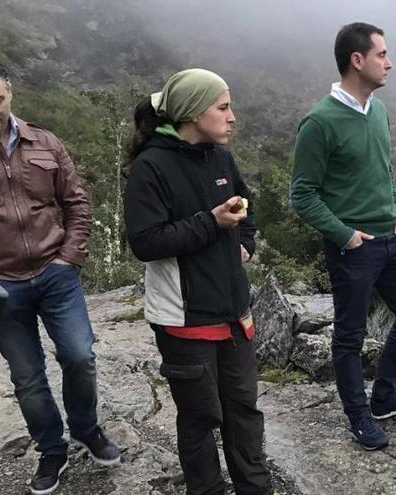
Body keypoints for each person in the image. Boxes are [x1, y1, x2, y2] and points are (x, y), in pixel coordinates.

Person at [0, 54, 120, 494]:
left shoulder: (46, 143)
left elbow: (77, 202)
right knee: (27, 376)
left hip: (56, 274)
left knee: (79, 356)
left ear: (11, 95)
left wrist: (68, 257)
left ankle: (87, 429)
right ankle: (51, 450)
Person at [123, 68, 272, 495]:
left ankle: (256, 488)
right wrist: (212, 222)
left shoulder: (219, 156)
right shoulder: (151, 167)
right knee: (200, 418)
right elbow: (146, 241)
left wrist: (245, 239)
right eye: (223, 108)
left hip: (233, 313)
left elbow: (245, 201)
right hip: (184, 319)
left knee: (244, 409)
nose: (233, 117)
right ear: (191, 113)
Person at [291, 22, 396, 451]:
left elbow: (384, 171)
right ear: (357, 60)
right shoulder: (320, 121)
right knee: (349, 336)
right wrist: (345, 235)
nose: (390, 63)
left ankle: (385, 395)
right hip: (354, 248)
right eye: (382, 55)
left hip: (393, 238)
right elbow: (302, 194)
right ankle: (358, 416)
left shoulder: (380, 111)